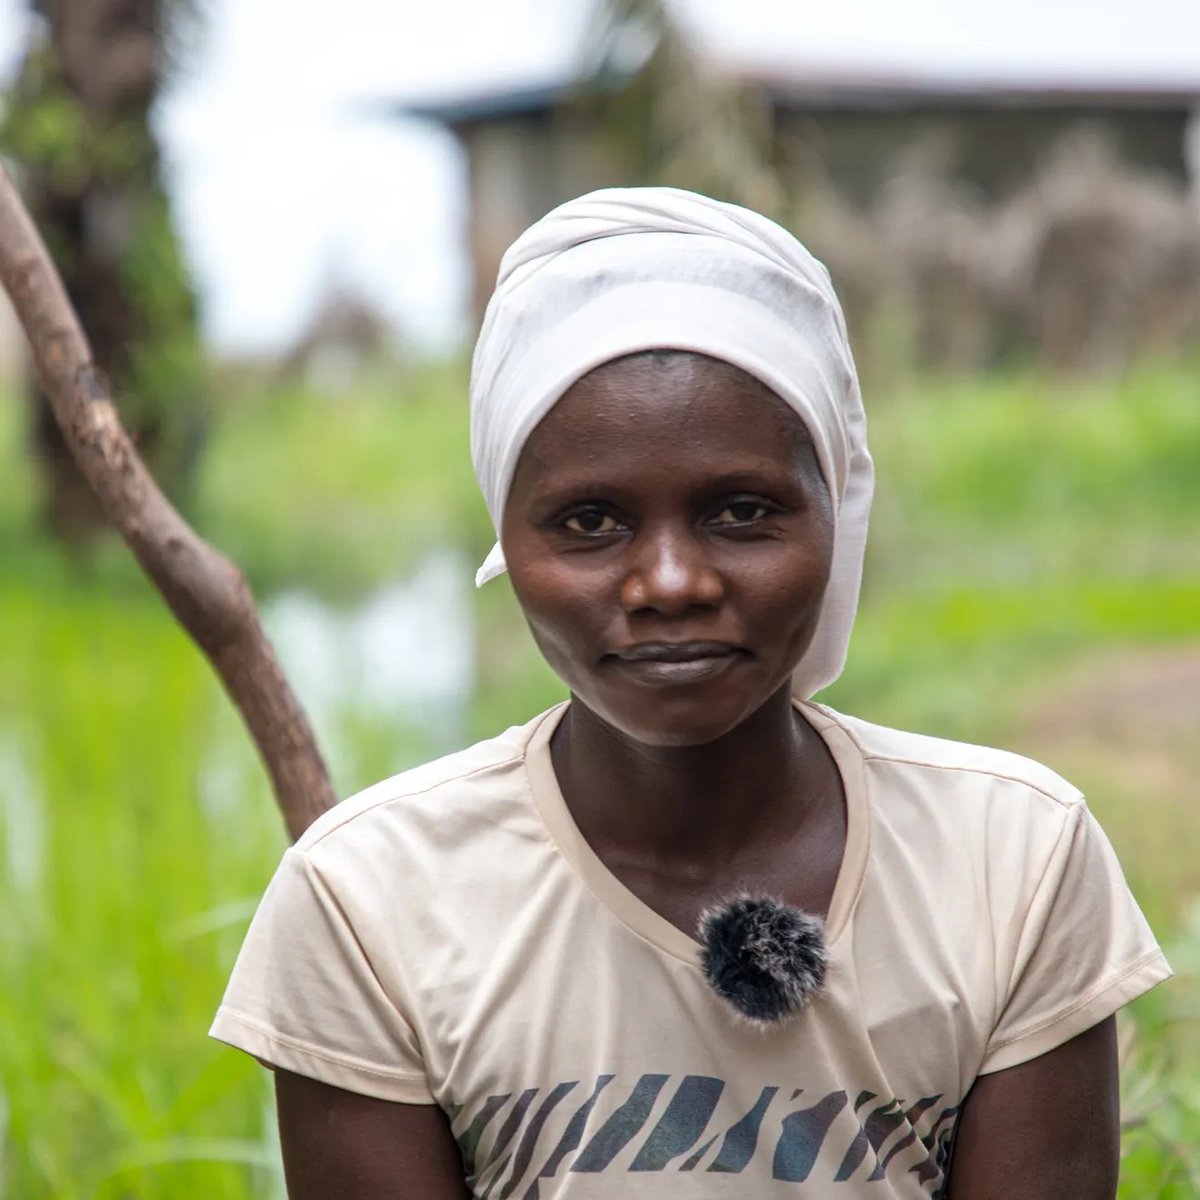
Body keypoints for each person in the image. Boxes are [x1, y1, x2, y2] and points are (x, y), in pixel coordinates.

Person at [211, 188, 1171, 1199]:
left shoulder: (1011, 863)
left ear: (834, 518)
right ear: (510, 539)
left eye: (741, 510)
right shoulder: (370, 902)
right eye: (590, 522)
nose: (670, 582)